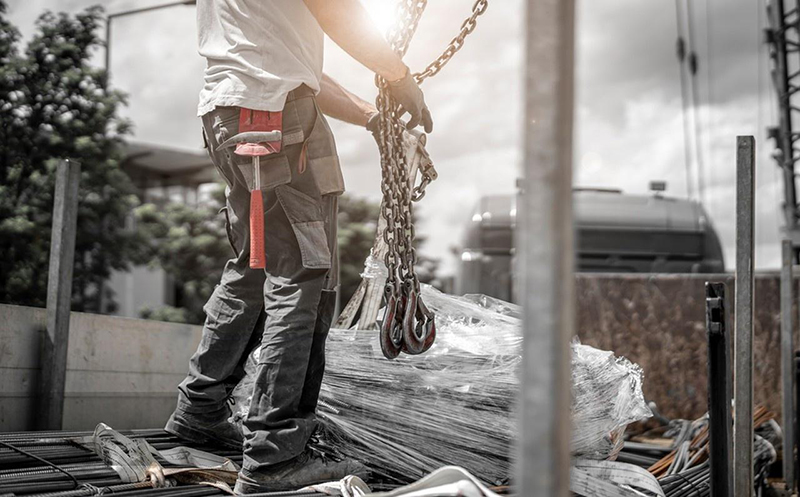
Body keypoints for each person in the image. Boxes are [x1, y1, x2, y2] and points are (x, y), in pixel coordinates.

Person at [165, 0, 433, 494]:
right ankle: (275, 455)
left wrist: (372, 114)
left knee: (254, 266)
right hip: (272, 118)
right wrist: (398, 75)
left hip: (236, 111)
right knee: (301, 275)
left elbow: (286, 65)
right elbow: (334, 12)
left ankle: (200, 412)